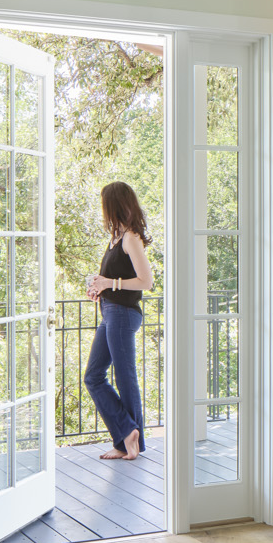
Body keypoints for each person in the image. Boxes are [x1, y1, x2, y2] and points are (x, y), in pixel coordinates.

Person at [84, 181, 154, 461]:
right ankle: (127, 433)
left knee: (126, 378)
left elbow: (145, 282)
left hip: (124, 314)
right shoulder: (116, 237)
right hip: (110, 312)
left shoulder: (131, 238)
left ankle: (129, 442)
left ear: (112, 205)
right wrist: (99, 287)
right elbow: (116, 281)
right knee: (93, 376)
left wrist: (109, 283)